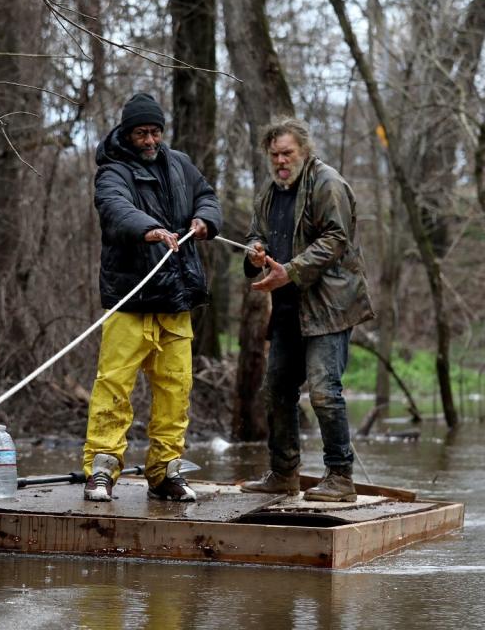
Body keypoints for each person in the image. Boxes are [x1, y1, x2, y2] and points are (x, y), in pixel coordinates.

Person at [82, 93, 222, 503]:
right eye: (142, 133)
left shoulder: (179, 163)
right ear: (128, 133)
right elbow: (113, 208)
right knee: (113, 387)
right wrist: (151, 228)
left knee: (176, 389)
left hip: (175, 300)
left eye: (155, 132)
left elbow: (208, 196)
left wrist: (205, 219)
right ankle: (102, 469)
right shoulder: (111, 170)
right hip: (130, 300)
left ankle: (165, 472)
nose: (149, 140)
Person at [239, 117, 374, 502]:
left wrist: (291, 271)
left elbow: (336, 238)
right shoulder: (269, 190)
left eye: (288, 153)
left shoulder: (327, 182)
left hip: (329, 306)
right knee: (276, 390)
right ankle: (284, 473)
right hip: (286, 307)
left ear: (304, 151)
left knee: (323, 392)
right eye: (275, 155)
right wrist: (255, 252)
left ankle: (341, 477)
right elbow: (255, 234)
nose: (281, 161)